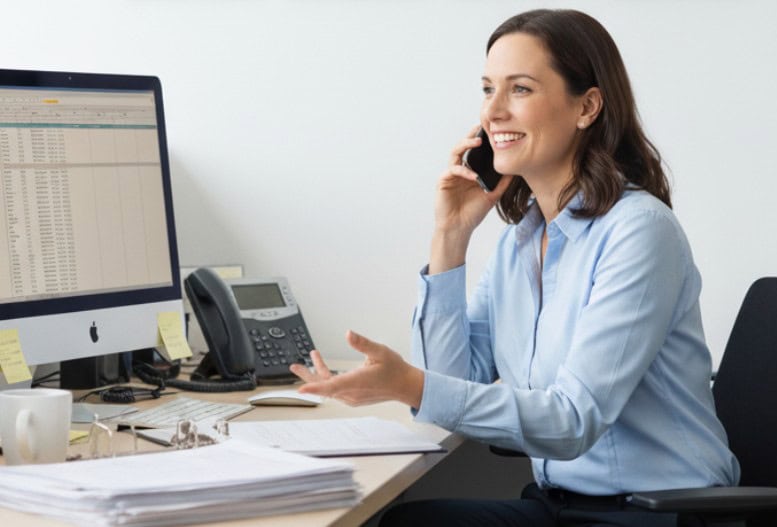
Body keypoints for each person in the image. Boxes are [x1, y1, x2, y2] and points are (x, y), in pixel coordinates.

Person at [290, 8, 740, 527]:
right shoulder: (523, 240)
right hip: (564, 506)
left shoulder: (638, 231)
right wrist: (451, 236)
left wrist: (409, 385)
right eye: (487, 89)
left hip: (658, 513)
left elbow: (573, 422)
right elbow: (451, 382)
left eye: (520, 89)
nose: (493, 112)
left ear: (587, 106)